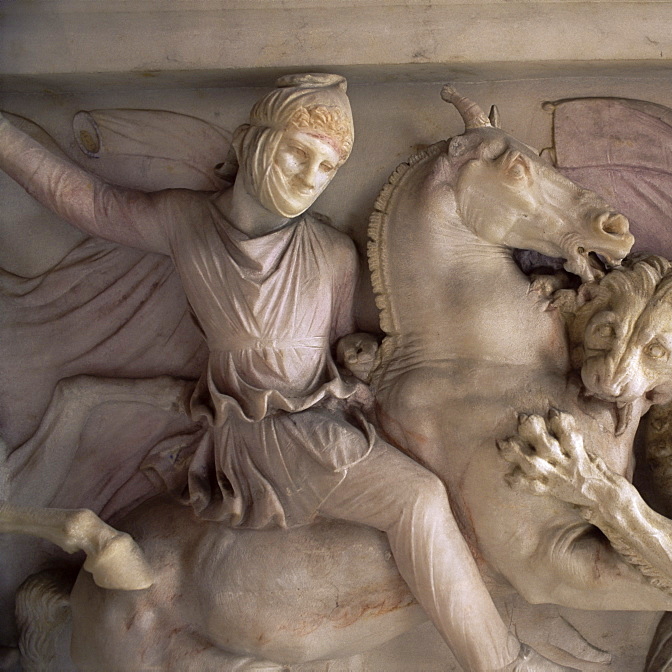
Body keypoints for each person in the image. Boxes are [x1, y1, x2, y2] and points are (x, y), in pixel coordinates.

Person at [0, 73, 565, 672]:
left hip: (327, 413)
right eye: (299, 152)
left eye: (326, 169)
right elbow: (91, 203)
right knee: (419, 499)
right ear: (252, 142)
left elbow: (359, 336)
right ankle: (504, 665)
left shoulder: (330, 251)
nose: (307, 177)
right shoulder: (189, 225)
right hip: (264, 432)